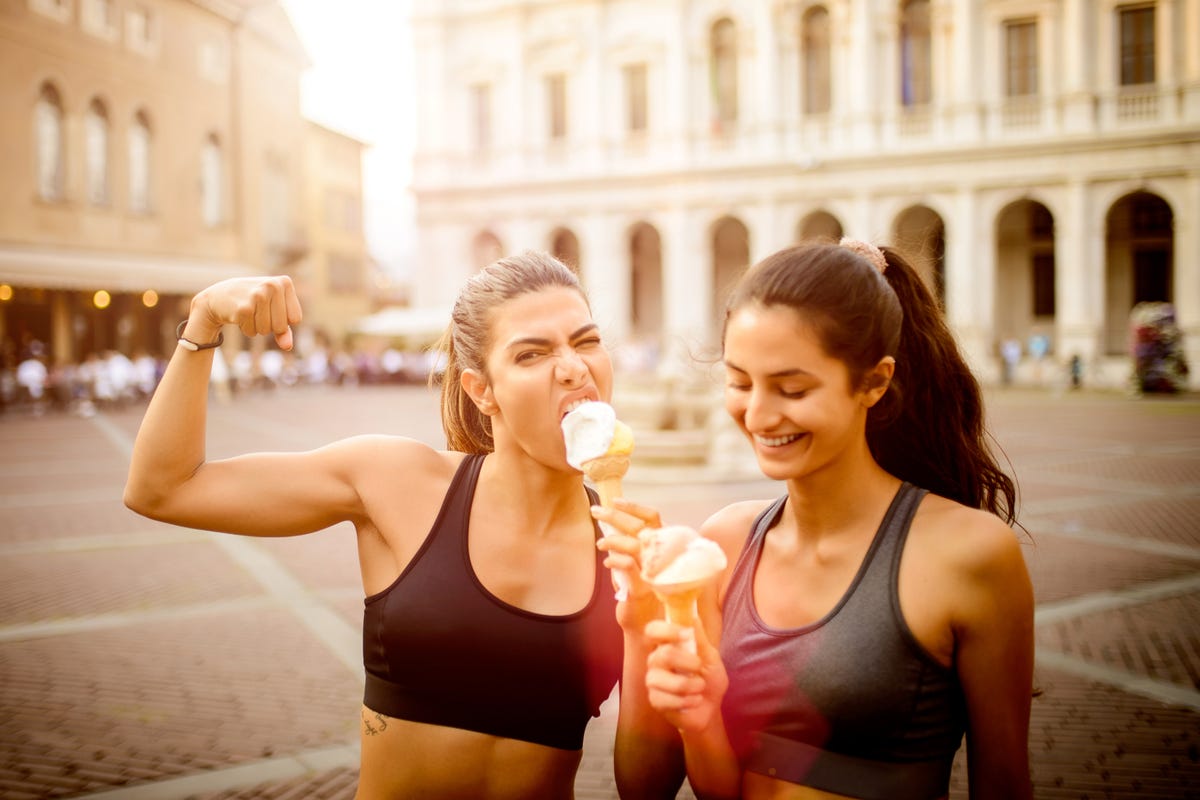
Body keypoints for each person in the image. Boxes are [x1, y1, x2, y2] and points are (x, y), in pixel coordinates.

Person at [124, 250, 679, 800]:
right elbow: (164, 488)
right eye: (531, 354)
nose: (573, 366)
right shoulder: (396, 481)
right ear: (481, 390)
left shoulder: (633, 554)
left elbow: (644, 788)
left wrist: (643, 625)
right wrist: (203, 321)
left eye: (585, 341)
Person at [596, 240, 1034, 799]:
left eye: (792, 388)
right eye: (740, 382)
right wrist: (659, 655)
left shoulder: (969, 554)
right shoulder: (724, 544)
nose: (757, 415)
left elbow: (1004, 785)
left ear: (875, 382)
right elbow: (646, 788)